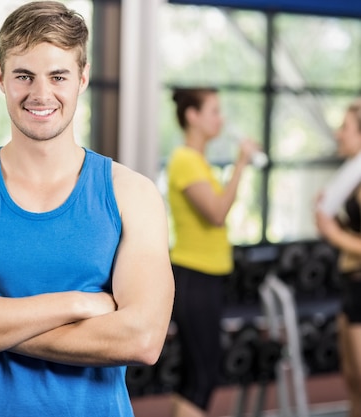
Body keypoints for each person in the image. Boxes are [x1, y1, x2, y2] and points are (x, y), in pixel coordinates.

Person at [0, 1, 175, 415]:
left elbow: (141, 339)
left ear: (82, 78)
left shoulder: (131, 194)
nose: (40, 94)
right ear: (1, 76)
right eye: (23, 76)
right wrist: (77, 304)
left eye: (58, 76)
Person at [166, 87, 261, 417]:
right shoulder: (185, 161)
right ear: (192, 116)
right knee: (202, 377)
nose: (221, 119)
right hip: (194, 277)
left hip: (206, 278)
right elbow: (217, 213)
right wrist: (241, 163)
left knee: (196, 376)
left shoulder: (197, 161)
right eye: (214, 111)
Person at [315, 98, 361, 417]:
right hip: (350, 283)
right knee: (353, 380)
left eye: (346, 127)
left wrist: (332, 232)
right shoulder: (353, 181)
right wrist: (335, 224)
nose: (338, 134)